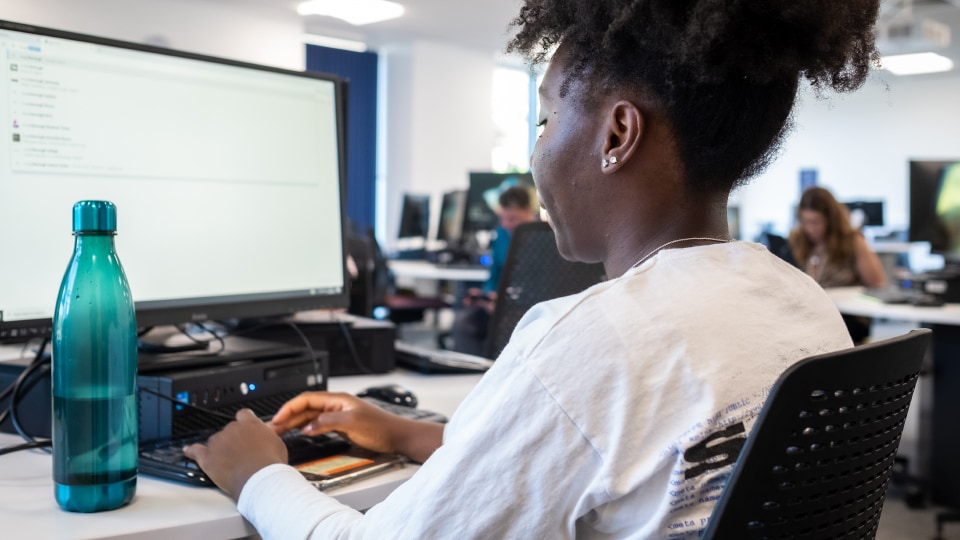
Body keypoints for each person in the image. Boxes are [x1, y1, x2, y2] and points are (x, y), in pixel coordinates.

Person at [183, 1, 880, 537]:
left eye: (545, 121)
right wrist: (407, 433)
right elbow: (636, 464)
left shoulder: (597, 339)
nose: (536, 154)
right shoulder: (801, 302)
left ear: (616, 135)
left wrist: (259, 475)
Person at [788, 186, 887, 343]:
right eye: (806, 222)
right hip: (817, 313)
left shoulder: (852, 240)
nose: (811, 228)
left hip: (848, 318)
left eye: (816, 222)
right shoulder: (799, 241)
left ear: (830, 219)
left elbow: (877, 283)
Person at [451, 185, 538, 355]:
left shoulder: (543, 238)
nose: (506, 224)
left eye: (513, 219)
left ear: (529, 211)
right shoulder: (502, 235)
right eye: (503, 218)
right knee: (463, 323)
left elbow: (543, 287)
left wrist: (504, 301)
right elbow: (493, 277)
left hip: (524, 307)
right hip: (498, 304)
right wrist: (486, 295)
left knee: (504, 325)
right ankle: (474, 374)